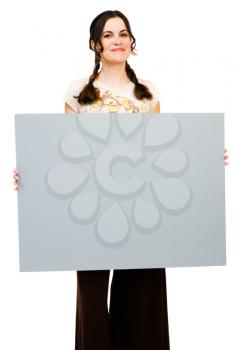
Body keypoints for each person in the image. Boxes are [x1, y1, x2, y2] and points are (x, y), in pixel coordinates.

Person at [13, 9, 230, 350]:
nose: (118, 40)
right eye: (109, 35)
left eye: (124, 34)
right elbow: (66, 155)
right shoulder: (78, 91)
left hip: (142, 209)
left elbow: (162, 152)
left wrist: (201, 159)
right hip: (91, 209)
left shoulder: (147, 92)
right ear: (95, 44)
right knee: (92, 300)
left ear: (132, 42)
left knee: (142, 301)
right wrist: (31, 173)